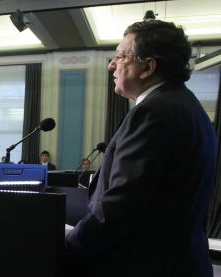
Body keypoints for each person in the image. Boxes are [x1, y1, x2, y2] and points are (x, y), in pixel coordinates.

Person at [65, 19, 217, 277]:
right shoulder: (189, 107)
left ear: (148, 67)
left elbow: (120, 206)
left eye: (120, 57)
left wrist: (68, 244)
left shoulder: (152, 113)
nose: (112, 65)